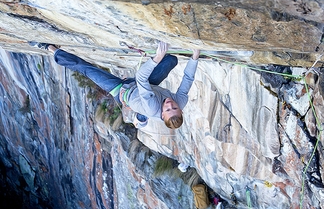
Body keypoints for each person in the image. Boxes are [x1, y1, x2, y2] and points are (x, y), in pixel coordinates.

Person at [29, 41, 200, 129]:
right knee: (171, 60)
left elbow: (141, 77)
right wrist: (195, 56)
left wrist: (156, 57)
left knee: (87, 70)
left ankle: (52, 49)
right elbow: (188, 79)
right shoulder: (180, 101)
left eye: (168, 110)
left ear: (162, 115)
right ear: (180, 108)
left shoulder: (153, 106)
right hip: (147, 88)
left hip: (123, 91)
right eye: (174, 107)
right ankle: (140, 115)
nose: (170, 104)